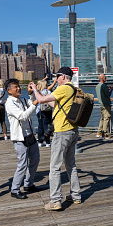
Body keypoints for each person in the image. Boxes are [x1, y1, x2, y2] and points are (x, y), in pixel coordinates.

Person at [30, 67, 81, 211]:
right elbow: (56, 104)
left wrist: (35, 89)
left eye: (57, 76)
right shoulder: (72, 89)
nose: (56, 79)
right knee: (71, 165)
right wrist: (39, 93)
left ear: (63, 77)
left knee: (54, 167)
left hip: (62, 132)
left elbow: (40, 100)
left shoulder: (64, 88)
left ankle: (55, 200)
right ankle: (76, 195)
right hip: (72, 130)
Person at [5, 79, 41, 200]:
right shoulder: (9, 103)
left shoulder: (22, 100)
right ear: (9, 90)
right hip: (20, 138)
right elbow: (23, 116)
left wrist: (31, 94)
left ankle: (28, 184)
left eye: (19, 86)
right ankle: (14, 190)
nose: (18, 88)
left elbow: (32, 106)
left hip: (30, 135)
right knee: (22, 164)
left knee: (35, 160)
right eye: (15, 87)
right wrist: (36, 102)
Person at [35, 77, 56, 147]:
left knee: (40, 127)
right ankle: (48, 142)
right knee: (47, 127)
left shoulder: (37, 93)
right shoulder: (48, 92)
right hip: (47, 111)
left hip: (39, 111)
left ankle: (40, 142)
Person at [95, 74, 113, 140]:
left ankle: (99, 132)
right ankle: (104, 133)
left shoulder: (97, 86)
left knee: (102, 118)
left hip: (101, 104)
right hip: (106, 104)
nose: (106, 78)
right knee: (107, 117)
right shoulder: (104, 86)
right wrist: (111, 89)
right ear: (103, 78)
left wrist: (107, 88)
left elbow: (102, 92)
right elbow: (108, 95)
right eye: (105, 77)